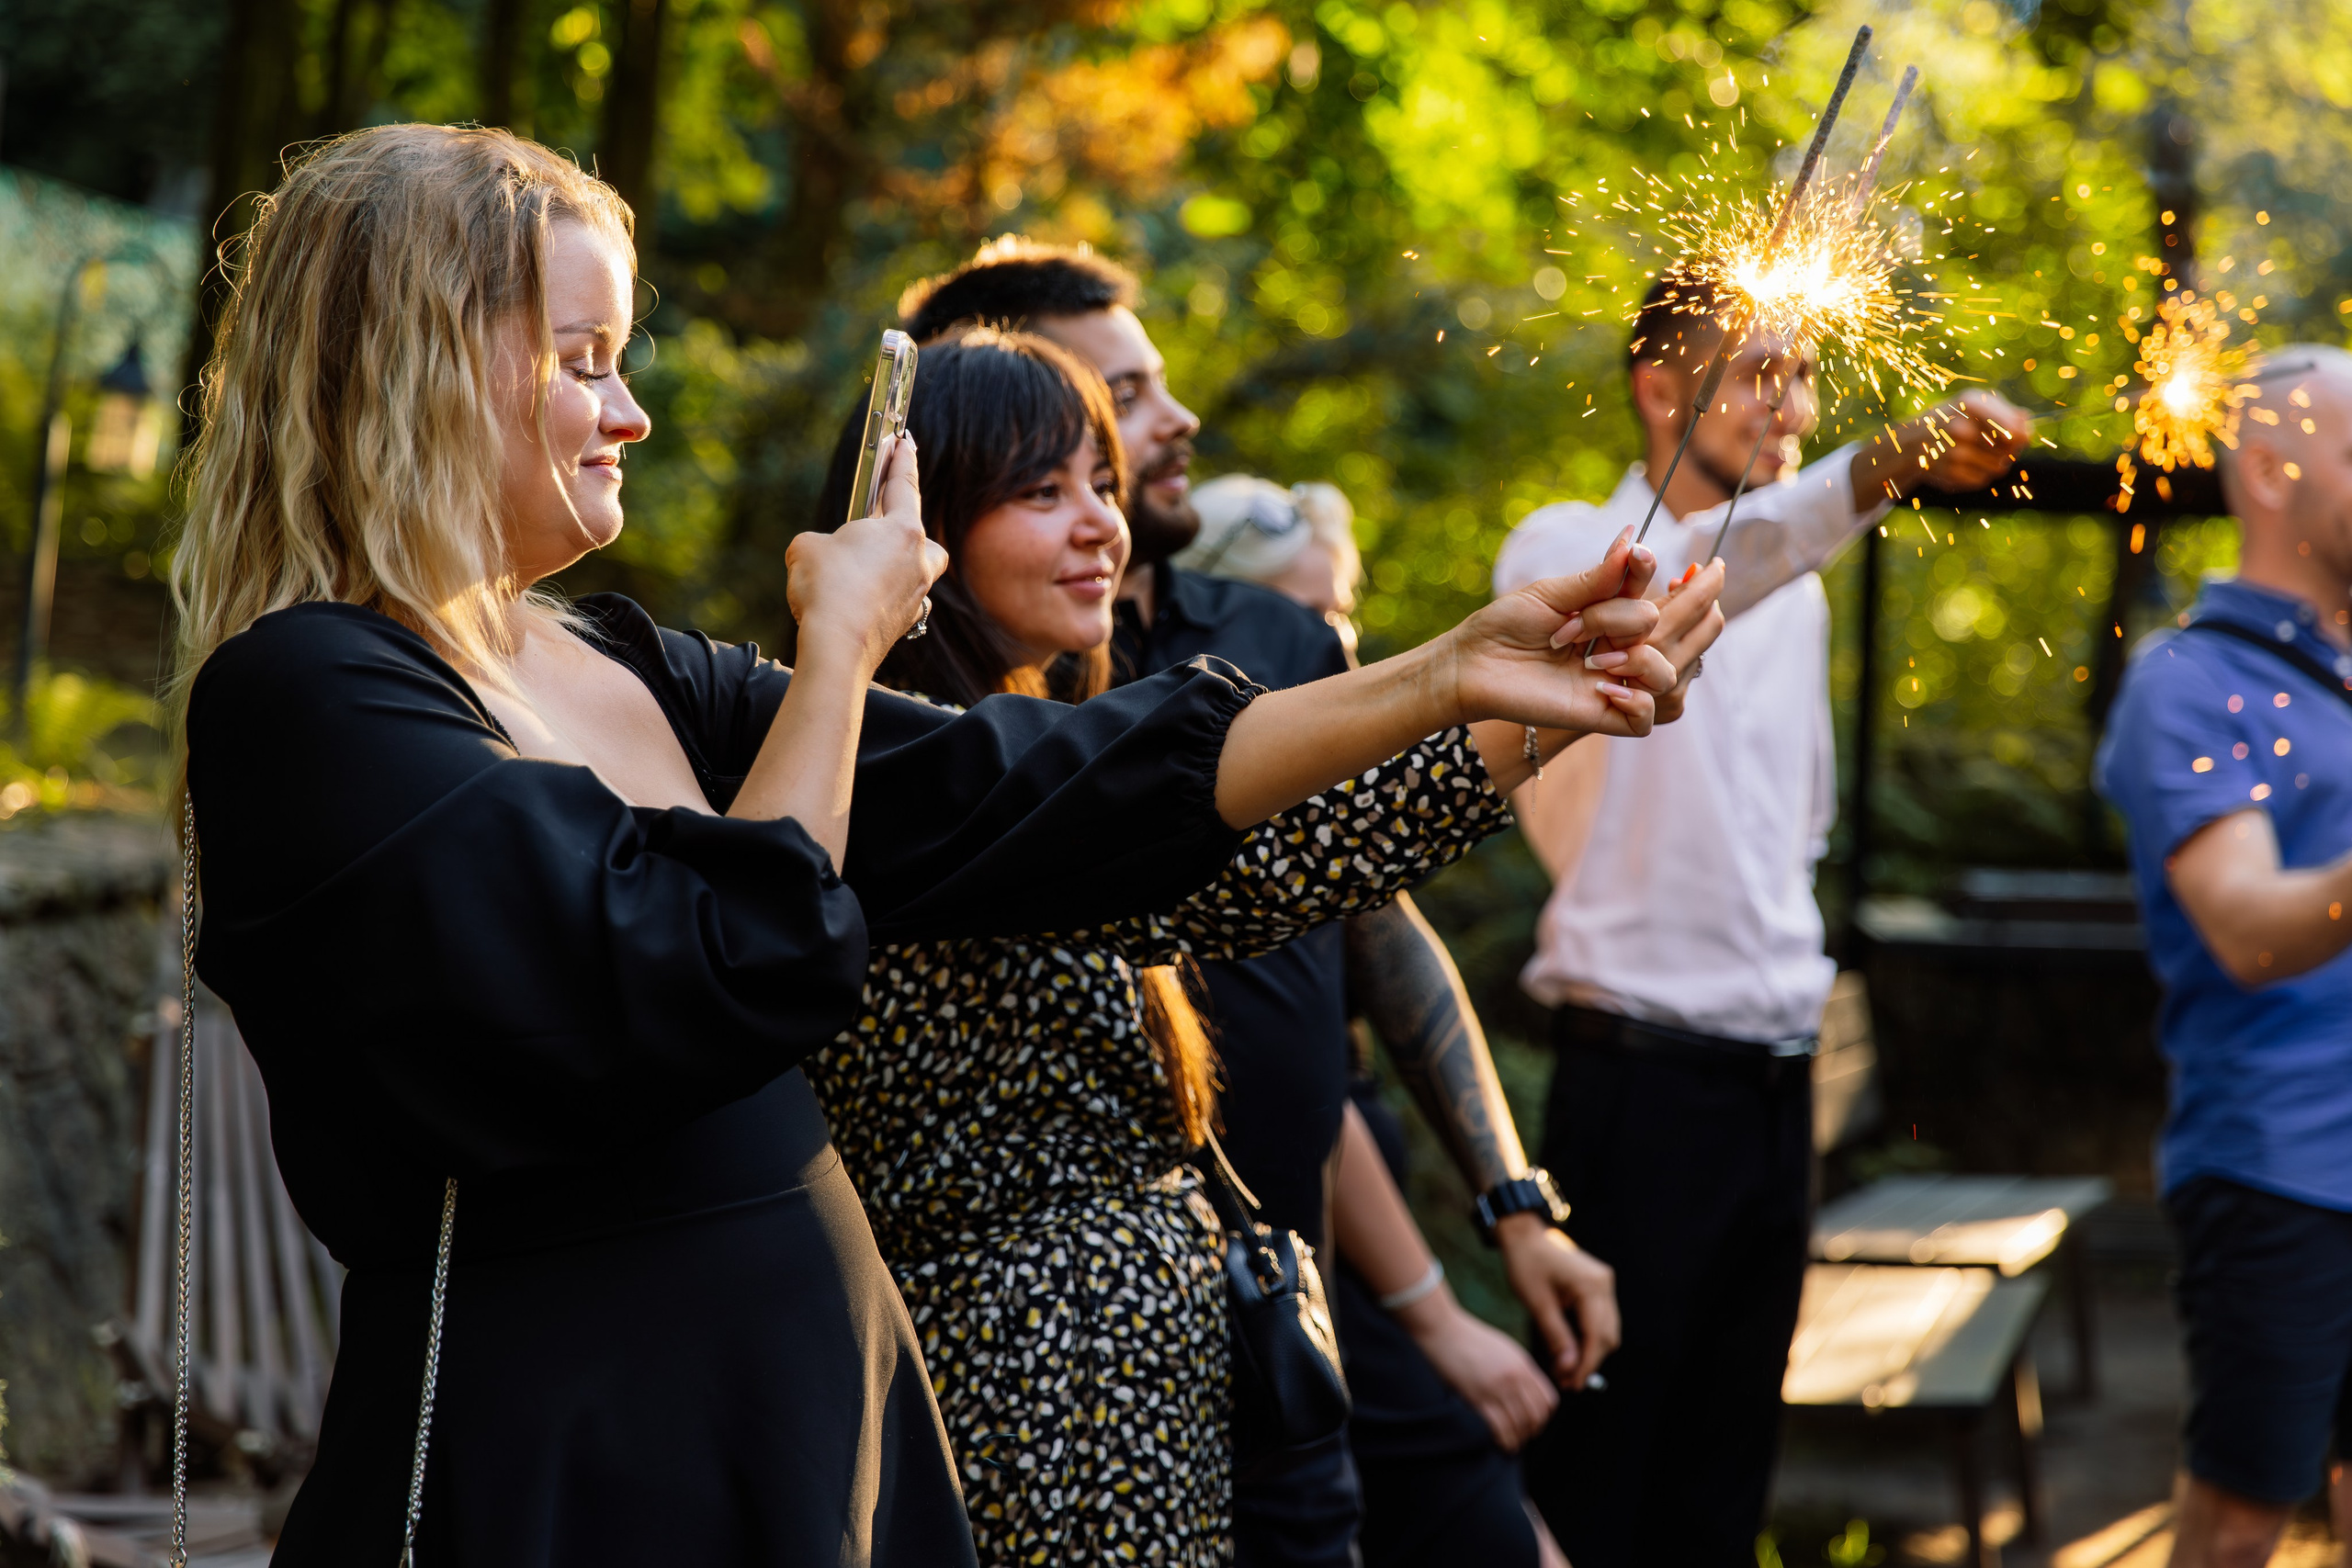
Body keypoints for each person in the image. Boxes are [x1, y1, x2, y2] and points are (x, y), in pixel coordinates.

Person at [169, 125, 1668, 1567]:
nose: (630, 414)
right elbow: (710, 970)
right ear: (417, 373)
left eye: (622, 361)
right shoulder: (313, 700)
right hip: (582, 1453)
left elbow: (1027, 784)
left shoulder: (624, 663)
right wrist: (838, 649)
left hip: (812, 1420)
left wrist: (1457, 676)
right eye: (581, 365)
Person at [797, 327, 1724, 1568]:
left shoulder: (1011, 745)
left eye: (1103, 486)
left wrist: (1545, 701)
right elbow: (1265, 862)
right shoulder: (900, 770)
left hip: (1150, 1406)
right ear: (912, 521)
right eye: (1040, 490)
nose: (1098, 526)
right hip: (1033, 1422)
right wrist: (1498, 693)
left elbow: (1297, 867)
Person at [1490, 276, 2030, 1567]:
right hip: (1638, 1082)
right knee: (1606, 1469)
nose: (1791, 404)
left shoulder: (1804, 585)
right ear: (1661, 389)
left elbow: (1798, 827)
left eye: (1803, 377)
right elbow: (1726, 565)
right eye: (1759, 373)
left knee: (1728, 1470)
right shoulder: (1572, 549)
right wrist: (1886, 462)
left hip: (1773, 1082)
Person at [1183, 471, 1570, 1568]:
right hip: (1308, 1294)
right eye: (1302, 622)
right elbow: (1308, 1093)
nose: (1337, 648)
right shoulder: (1210, 825)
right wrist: (1438, 1317)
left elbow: (1406, 970)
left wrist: (1517, 1208)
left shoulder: (1333, 817)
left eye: (1342, 614)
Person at [2095, 345, 2352, 1568]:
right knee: (2245, 1514)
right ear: (2267, 469)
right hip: (2282, 1168)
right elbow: (2249, 923)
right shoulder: (2188, 681)